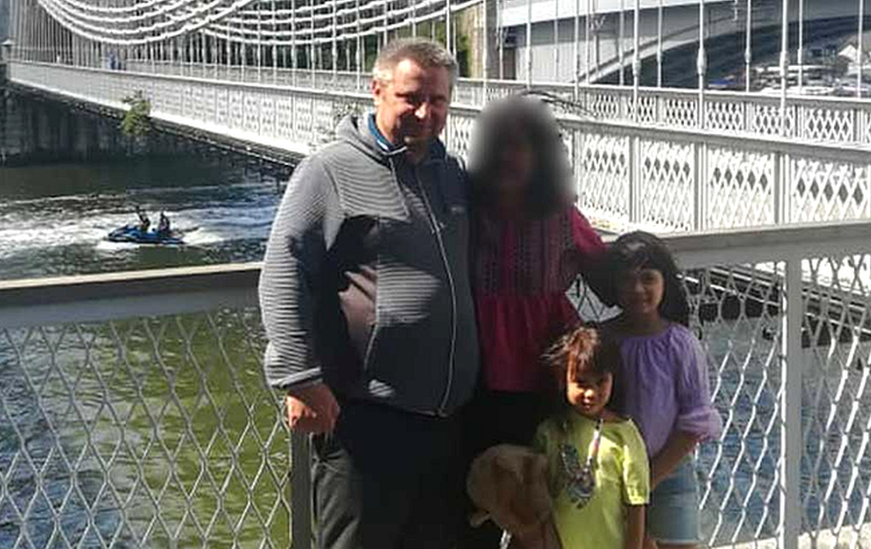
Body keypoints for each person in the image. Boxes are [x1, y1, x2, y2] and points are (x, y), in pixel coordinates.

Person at [258, 38, 478, 549]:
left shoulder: (454, 176)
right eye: (410, 97)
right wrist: (298, 377)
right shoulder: (330, 169)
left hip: (447, 422)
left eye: (440, 100)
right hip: (366, 420)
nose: (426, 112)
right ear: (376, 90)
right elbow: (284, 270)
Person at [462, 94, 610, 545]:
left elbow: (610, 280)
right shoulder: (466, 212)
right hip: (474, 373)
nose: (510, 157)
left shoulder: (562, 217)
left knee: (544, 499)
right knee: (479, 497)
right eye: (501, 146)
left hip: (547, 373)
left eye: (523, 146)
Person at [601, 231, 722, 549]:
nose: (637, 289)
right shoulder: (601, 340)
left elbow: (695, 423)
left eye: (648, 278)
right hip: (610, 477)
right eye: (627, 280)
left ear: (665, 282)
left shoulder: (680, 344)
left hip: (668, 474)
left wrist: (646, 480)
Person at [533, 325, 650, 549]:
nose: (591, 393)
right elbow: (539, 500)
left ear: (613, 379)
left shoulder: (624, 434)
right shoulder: (549, 432)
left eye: (601, 382)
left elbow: (636, 505)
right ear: (562, 379)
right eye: (582, 383)